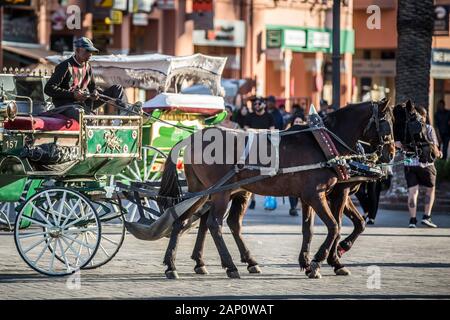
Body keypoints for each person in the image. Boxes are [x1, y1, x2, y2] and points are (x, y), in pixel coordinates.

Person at [44, 37, 124, 120]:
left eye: (92, 52)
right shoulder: (65, 66)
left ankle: (124, 116)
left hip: (84, 103)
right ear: (78, 51)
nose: (90, 54)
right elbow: (48, 89)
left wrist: (95, 92)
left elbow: (92, 87)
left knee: (117, 88)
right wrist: (72, 95)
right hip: (67, 106)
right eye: (87, 51)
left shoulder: (88, 66)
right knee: (85, 116)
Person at [399, 106, 442, 228]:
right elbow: (435, 148)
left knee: (412, 192)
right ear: (423, 115)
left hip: (409, 164)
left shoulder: (406, 129)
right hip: (426, 164)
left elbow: (399, 145)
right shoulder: (428, 128)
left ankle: (412, 220)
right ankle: (426, 217)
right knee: (430, 189)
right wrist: (438, 153)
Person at [285, 114, 307, 216]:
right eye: (296, 122)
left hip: (303, 165)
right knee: (291, 187)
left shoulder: (307, 134)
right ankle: (293, 207)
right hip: (291, 163)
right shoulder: (288, 133)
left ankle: (300, 204)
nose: (298, 124)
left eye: (300, 122)